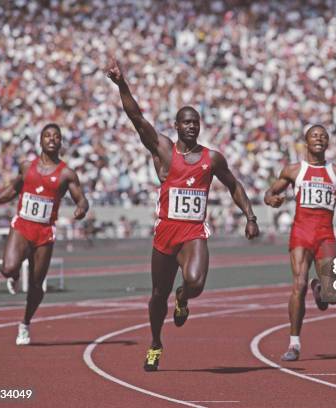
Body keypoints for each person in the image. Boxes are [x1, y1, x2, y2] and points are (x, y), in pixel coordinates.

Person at [107, 60, 260, 372]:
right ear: (176, 126)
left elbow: (233, 184)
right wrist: (121, 84)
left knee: (196, 282)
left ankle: (184, 296)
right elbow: (136, 117)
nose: (192, 126)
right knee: (156, 295)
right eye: (186, 122)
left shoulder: (212, 158)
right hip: (166, 232)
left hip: (193, 232)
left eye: (196, 122)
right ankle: (155, 343)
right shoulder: (164, 150)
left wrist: (250, 216)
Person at [0, 123, 89, 345]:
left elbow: (81, 198)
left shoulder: (66, 173)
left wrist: (81, 209)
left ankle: (25, 324)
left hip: (44, 232)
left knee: (37, 285)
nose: (52, 139)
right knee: (7, 268)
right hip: (22, 226)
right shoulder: (27, 167)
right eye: (47, 136)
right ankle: (15, 276)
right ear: (40, 141)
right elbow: (13, 190)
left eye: (56, 136)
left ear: (61, 142)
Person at [264, 125, 336, 361]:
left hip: (325, 235)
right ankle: (294, 343)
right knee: (299, 284)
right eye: (315, 136)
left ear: (328, 143)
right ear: (306, 142)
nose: (319, 139)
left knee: (331, 296)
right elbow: (269, 194)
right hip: (301, 233)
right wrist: (274, 200)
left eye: (323, 136)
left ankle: (320, 288)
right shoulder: (295, 170)